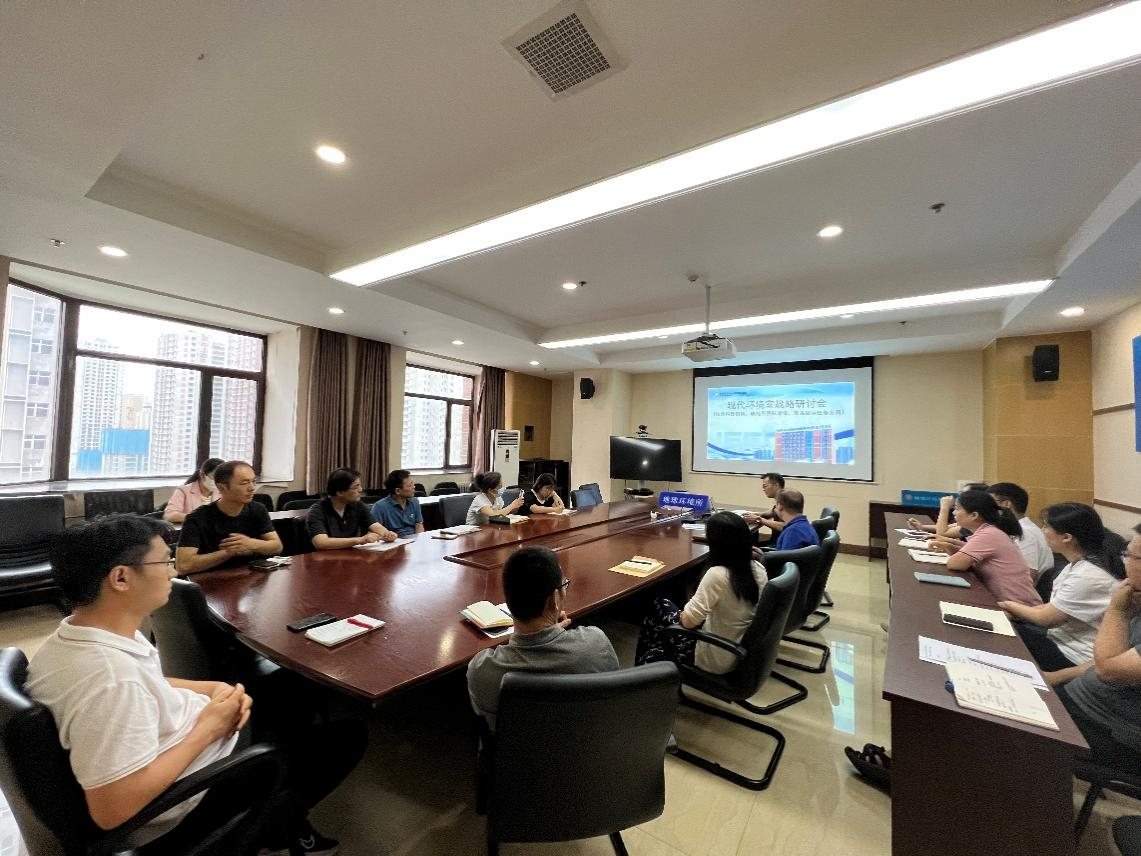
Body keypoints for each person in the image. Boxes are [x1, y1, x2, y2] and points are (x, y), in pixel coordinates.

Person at [25, 515, 365, 854]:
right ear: (121, 578)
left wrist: (211, 689)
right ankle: (276, 823)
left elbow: (149, 682)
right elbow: (112, 810)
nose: (173, 571)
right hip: (191, 797)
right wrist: (209, 728)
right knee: (346, 738)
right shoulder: (110, 680)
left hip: (185, 739)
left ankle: (283, 816)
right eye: (164, 562)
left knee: (292, 690)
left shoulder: (83, 635)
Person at [466, 546, 618, 729]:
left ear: (508, 599)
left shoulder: (482, 670)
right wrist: (551, 633)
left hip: (518, 748)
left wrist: (537, 632)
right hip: (588, 744)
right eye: (564, 585)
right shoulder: (595, 644)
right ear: (554, 599)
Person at [998, 503, 1123, 684]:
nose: (1043, 530)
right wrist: (1013, 610)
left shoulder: (1088, 575)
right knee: (1002, 629)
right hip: (1058, 640)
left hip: (1073, 656)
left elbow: (1046, 618)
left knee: (1002, 638)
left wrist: (1006, 605)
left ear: (1066, 537)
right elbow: (1050, 608)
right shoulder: (1078, 565)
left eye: (1047, 526)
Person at [1054, 523, 1141, 774]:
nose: (1123, 562)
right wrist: (1057, 676)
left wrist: (1117, 611)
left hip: (1110, 731)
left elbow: (1108, 670)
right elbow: (1120, 658)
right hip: (1080, 703)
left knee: (997, 732)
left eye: (1130, 555)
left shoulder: (1125, 603)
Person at [635, 511, 767, 674]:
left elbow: (688, 623)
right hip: (737, 650)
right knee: (660, 604)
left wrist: (687, 610)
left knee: (651, 650)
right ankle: (660, 650)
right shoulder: (758, 569)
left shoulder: (719, 575)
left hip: (713, 656)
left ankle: (644, 669)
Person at [928, 490, 1041, 605]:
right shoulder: (988, 531)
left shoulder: (989, 534)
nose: (954, 513)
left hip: (1018, 608)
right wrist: (949, 545)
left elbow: (954, 564)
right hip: (1005, 602)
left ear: (974, 515)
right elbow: (966, 555)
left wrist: (950, 546)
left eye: (957, 508)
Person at [176, 460, 283, 574]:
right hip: (212, 579)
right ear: (222, 487)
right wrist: (229, 552)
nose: (252, 488)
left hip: (249, 576)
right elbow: (183, 566)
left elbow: (277, 547)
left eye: (253, 481)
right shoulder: (197, 518)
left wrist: (251, 543)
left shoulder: (258, 509)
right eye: (244, 483)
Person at [307, 468, 397, 550]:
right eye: (356, 487)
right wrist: (360, 540)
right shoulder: (317, 510)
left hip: (350, 555)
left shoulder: (358, 505)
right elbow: (321, 543)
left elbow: (375, 526)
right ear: (340, 492)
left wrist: (387, 534)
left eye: (360, 485)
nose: (360, 490)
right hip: (324, 558)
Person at [988, 482, 1054, 577]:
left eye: (989, 502)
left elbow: (1028, 574)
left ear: (1006, 504)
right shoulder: (1018, 528)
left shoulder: (1024, 533)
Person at [163, 457, 223, 524]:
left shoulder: (221, 492)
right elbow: (170, 515)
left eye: (221, 478)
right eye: (214, 476)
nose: (218, 481)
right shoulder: (183, 490)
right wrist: (197, 517)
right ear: (202, 475)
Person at [371, 469, 424, 537]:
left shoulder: (414, 501)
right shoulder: (379, 507)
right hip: (394, 540)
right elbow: (375, 532)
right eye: (410, 485)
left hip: (413, 538)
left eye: (413, 483)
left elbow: (419, 524)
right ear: (398, 491)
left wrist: (419, 539)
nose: (414, 487)